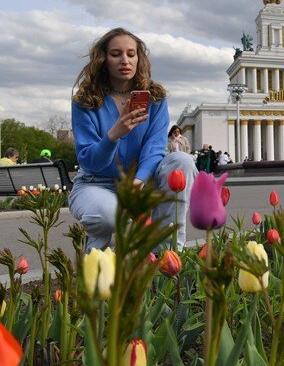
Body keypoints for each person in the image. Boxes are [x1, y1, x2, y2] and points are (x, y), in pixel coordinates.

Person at [68, 28, 197, 251]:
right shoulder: (86, 100)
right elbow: (89, 160)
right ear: (103, 59)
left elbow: (155, 148)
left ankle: (168, 255)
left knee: (181, 161)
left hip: (142, 182)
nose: (124, 60)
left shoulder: (154, 98)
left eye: (131, 54)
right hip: (98, 183)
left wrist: (139, 181)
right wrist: (114, 134)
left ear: (139, 58)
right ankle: (98, 266)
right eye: (116, 54)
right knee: (108, 216)